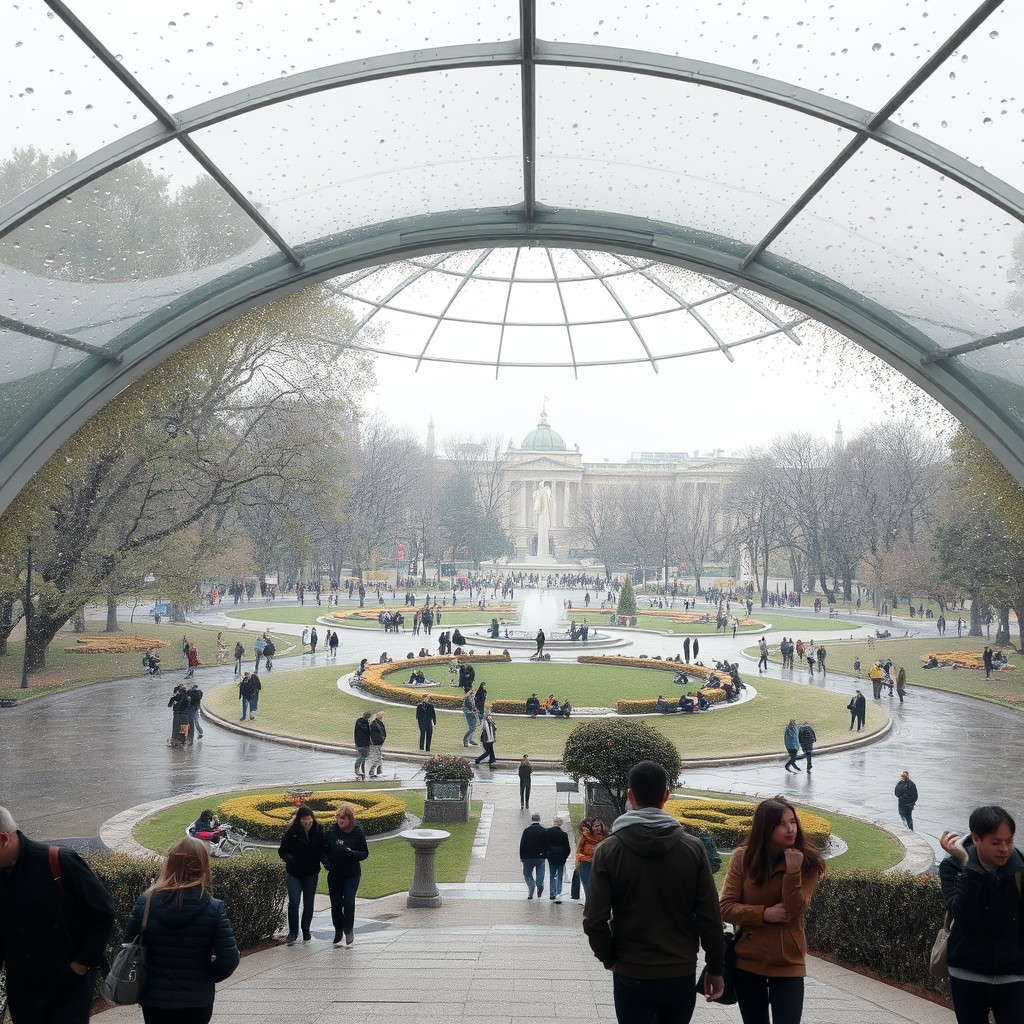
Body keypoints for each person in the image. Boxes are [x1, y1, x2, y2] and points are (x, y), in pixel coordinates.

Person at [583, 761, 726, 1023]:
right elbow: (710, 918)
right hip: (679, 971)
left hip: (631, 970)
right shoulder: (692, 849)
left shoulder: (608, 850)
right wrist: (716, 968)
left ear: (630, 796)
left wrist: (610, 959)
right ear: (666, 795)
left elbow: (594, 920)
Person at [0, 806, 116, 1024]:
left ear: (4, 839)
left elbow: (103, 911)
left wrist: (82, 963)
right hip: (23, 991)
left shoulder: (60, 861)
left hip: (67, 988)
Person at [720, 798, 825, 1024]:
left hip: (789, 961)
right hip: (748, 960)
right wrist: (764, 914)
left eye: (793, 822)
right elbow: (725, 907)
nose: (790, 829)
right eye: (782, 824)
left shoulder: (808, 863)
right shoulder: (743, 857)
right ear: (765, 828)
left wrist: (793, 871)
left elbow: (794, 908)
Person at [122, 836, 239, 1024]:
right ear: (203, 865)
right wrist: (207, 976)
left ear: (170, 863)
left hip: (154, 998)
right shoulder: (214, 907)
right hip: (197, 1000)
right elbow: (229, 959)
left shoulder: (147, 902)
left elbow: (128, 945)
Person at [939, 806, 1024, 1023]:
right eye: (996, 842)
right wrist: (970, 867)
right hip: (967, 973)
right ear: (976, 838)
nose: (1005, 848)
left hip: (1014, 975)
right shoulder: (952, 867)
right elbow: (962, 912)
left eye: (1009, 840)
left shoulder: (1020, 867)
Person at [323, 803, 369, 947]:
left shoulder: (357, 832)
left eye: (343, 818)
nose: (340, 820)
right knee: (336, 904)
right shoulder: (331, 832)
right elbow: (323, 850)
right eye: (338, 817)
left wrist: (351, 852)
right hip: (335, 874)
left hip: (352, 874)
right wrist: (326, 862)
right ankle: (338, 929)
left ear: (350, 819)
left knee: (348, 902)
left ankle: (348, 928)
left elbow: (364, 853)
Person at [279, 804, 324, 945]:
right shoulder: (292, 832)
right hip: (294, 873)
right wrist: (291, 859)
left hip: (311, 873)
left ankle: (306, 929)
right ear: (299, 820)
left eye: (309, 818)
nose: (307, 822)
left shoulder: (318, 831)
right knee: (294, 902)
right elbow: (282, 850)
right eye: (304, 819)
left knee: (308, 903)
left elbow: (322, 849)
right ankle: (293, 932)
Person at [574, 817, 608, 897]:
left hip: (601, 864)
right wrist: (587, 858)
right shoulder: (585, 837)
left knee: (600, 887)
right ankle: (590, 904)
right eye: (595, 826)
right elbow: (578, 852)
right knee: (588, 886)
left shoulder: (606, 838)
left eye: (599, 826)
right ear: (591, 827)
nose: (598, 828)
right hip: (586, 864)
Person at [520, 812, 548, 899]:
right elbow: (547, 845)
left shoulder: (526, 831)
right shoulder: (544, 831)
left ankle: (531, 887)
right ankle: (540, 885)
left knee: (527, 874)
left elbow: (522, 844)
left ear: (531, 820)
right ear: (539, 820)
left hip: (528, 857)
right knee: (540, 873)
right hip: (540, 857)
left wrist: (522, 856)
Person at [546, 816, 572, 904]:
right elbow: (567, 848)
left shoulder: (548, 832)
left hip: (551, 856)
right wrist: (565, 856)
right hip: (561, 857)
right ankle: (558, 893)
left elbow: (545, 845)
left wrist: (547, 854)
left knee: (552, 875)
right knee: (560, 876)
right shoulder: (564, 834)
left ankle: (552, 893)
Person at [354, 710, 372, 780]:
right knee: (363, 756)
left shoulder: (359, 721)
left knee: (363, 756)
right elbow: (367, 732)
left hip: (358, 743)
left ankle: (362, 770)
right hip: (364, 743)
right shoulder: (365, 724)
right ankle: (357, 768)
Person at [368, 711, 387, 778]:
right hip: (376, 743)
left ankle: (379, 772)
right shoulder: (375, 724)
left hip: (378, 743)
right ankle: (372, 771)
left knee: (379, 757)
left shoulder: (377, 723)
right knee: (377, 758)